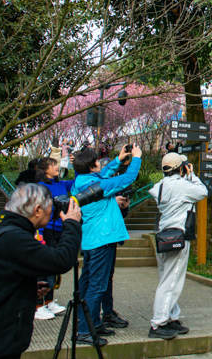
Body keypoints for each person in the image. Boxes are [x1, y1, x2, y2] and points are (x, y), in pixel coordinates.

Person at [0, 183, 81, 359]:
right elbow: (61, 261)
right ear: (37, 210)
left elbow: (0, 280)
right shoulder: (15, 238)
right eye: (51, 208)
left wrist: (27, 289)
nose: (53, 212)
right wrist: (72, 224)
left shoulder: (5, 232)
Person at [71, 144, 142, 346]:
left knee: (88, 282)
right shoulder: (97, 185)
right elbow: (127, 179)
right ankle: (85, 331)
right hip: (102, 240)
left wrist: (119, 159)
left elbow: (103, 175)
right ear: (92, 165)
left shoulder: (83, 181)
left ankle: (92, 323)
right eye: (97, 161)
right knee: (97, 285)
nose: (99, 164)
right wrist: (136, 158)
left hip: (91, 240)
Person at [149, 153, 207, 339]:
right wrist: (192, 175)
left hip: (163, 236)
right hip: (178, 236)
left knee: (166, 278)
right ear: (181, 168)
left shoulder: (159, 186)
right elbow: (202, 192)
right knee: (171, 281)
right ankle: (158, 323)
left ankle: (171, 317)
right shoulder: (182, 186)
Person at [35, 157, 73, 320]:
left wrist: (74, 163)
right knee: (43, 267)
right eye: (53, 165)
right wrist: (38, 232)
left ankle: (49, 301)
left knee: (54, 267)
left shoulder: (61, 184)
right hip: (46, 230)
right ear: (45, 169)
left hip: (60, 229)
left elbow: (79, 181)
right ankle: (38, 305)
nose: (57, 167)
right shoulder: (40, 187)